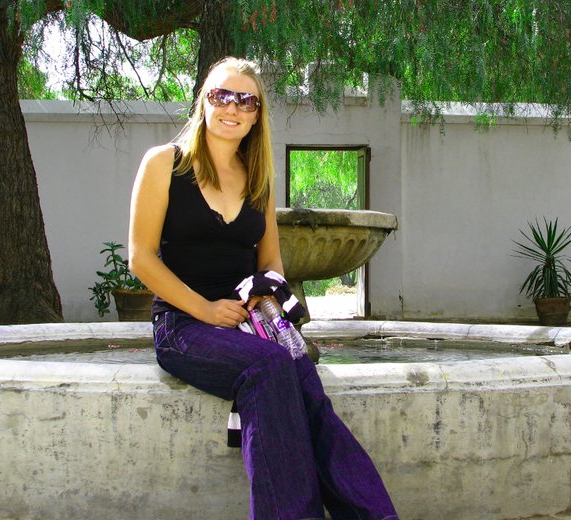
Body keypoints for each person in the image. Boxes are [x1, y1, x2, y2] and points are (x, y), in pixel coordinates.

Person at [128, 57, 399, 520]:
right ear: (204, 102)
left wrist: (265, 294)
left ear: (256, 115)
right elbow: (141, 258)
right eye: (221, 95)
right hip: (183, 323)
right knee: (272, 367)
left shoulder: (259, 179)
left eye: (246, 100)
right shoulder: (164, 164)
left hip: (251, 323)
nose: (232, 107)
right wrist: (206, 309)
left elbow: (270, 259)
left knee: (311, 395)